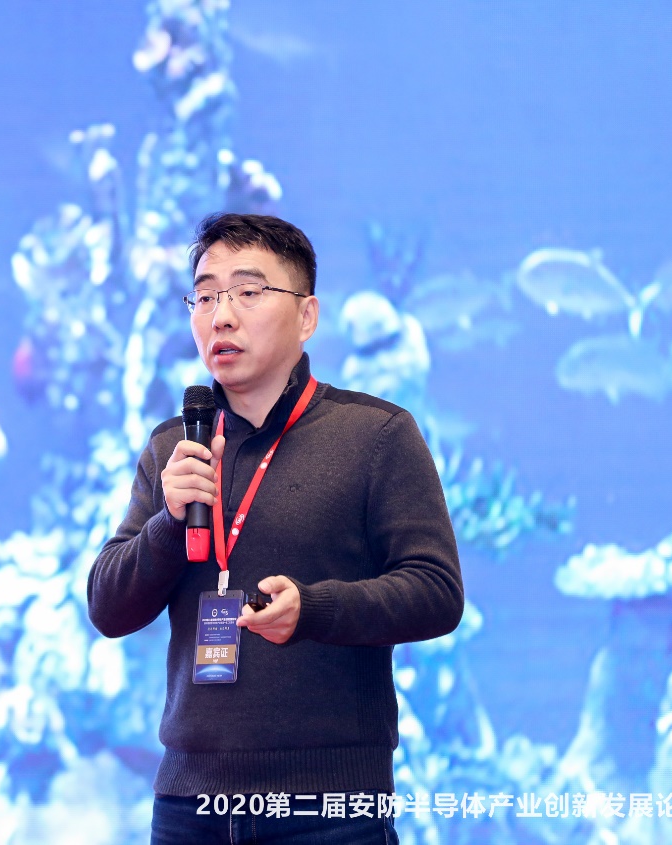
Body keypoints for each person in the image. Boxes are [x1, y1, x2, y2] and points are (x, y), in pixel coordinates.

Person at [86, 213, 465, 844]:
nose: (221, 317)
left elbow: (436, 592)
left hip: (327, 806)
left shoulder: (376, 435)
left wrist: (313, 610)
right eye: (205, 296)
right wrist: (168, 524)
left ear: (307, 315)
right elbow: (108, 607)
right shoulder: (174, 446)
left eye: (247, 292)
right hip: (188, 805)